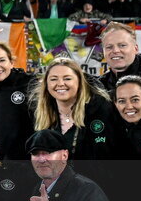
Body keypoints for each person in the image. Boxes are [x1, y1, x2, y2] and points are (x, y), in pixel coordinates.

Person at [31, 57, 124, 193]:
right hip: (59, 199)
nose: (60, 83)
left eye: (67, 78)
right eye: (53, 79)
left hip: (99, 195)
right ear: (46, 84)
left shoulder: (102, 109)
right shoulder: (41, 116)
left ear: (80, 81)